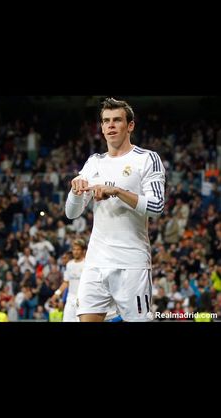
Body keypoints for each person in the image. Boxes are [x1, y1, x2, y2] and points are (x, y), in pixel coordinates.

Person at [65, 97, 166, 322]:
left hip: (132, 263)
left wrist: (117, 191)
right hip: (95, 261)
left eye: (117, 120)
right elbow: (71, 213)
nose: (110, 125)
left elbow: (157, 206)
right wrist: (75, 190)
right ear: (101, 127)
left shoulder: (147, 159)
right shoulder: (94, 162)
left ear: (130, 125)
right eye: (106, 121)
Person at [51, 239, 86, 322]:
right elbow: (66, 282)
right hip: (70, 298)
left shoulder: (86, 264)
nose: (76, 252)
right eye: (74, 249)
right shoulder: (69, 264)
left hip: (82, 299)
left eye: (78, 249)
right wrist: (56, 294)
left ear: (83, 250)